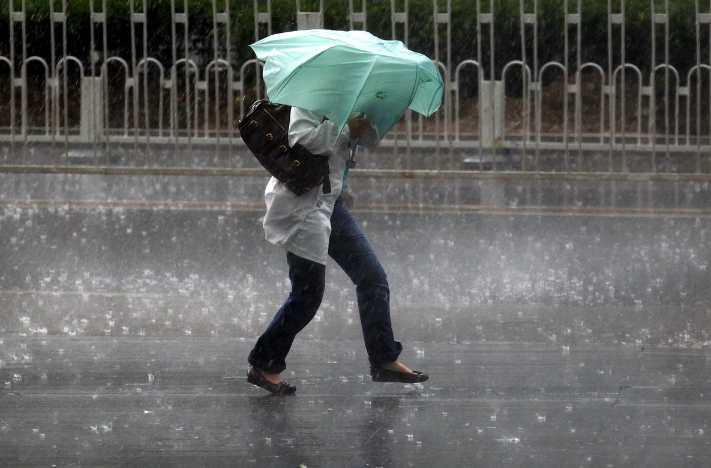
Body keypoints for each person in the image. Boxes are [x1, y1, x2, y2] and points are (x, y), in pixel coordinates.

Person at [247, 107, 428, 395]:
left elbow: (368, 141)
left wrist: (363, 123)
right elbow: (300, 139)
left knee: (371, 277)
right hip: (303, 202)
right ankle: (264, 363)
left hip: (331, 203)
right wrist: (344, 129)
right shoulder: (309, 96)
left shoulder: (351, 96)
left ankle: (383, 359)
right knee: (307, 294)